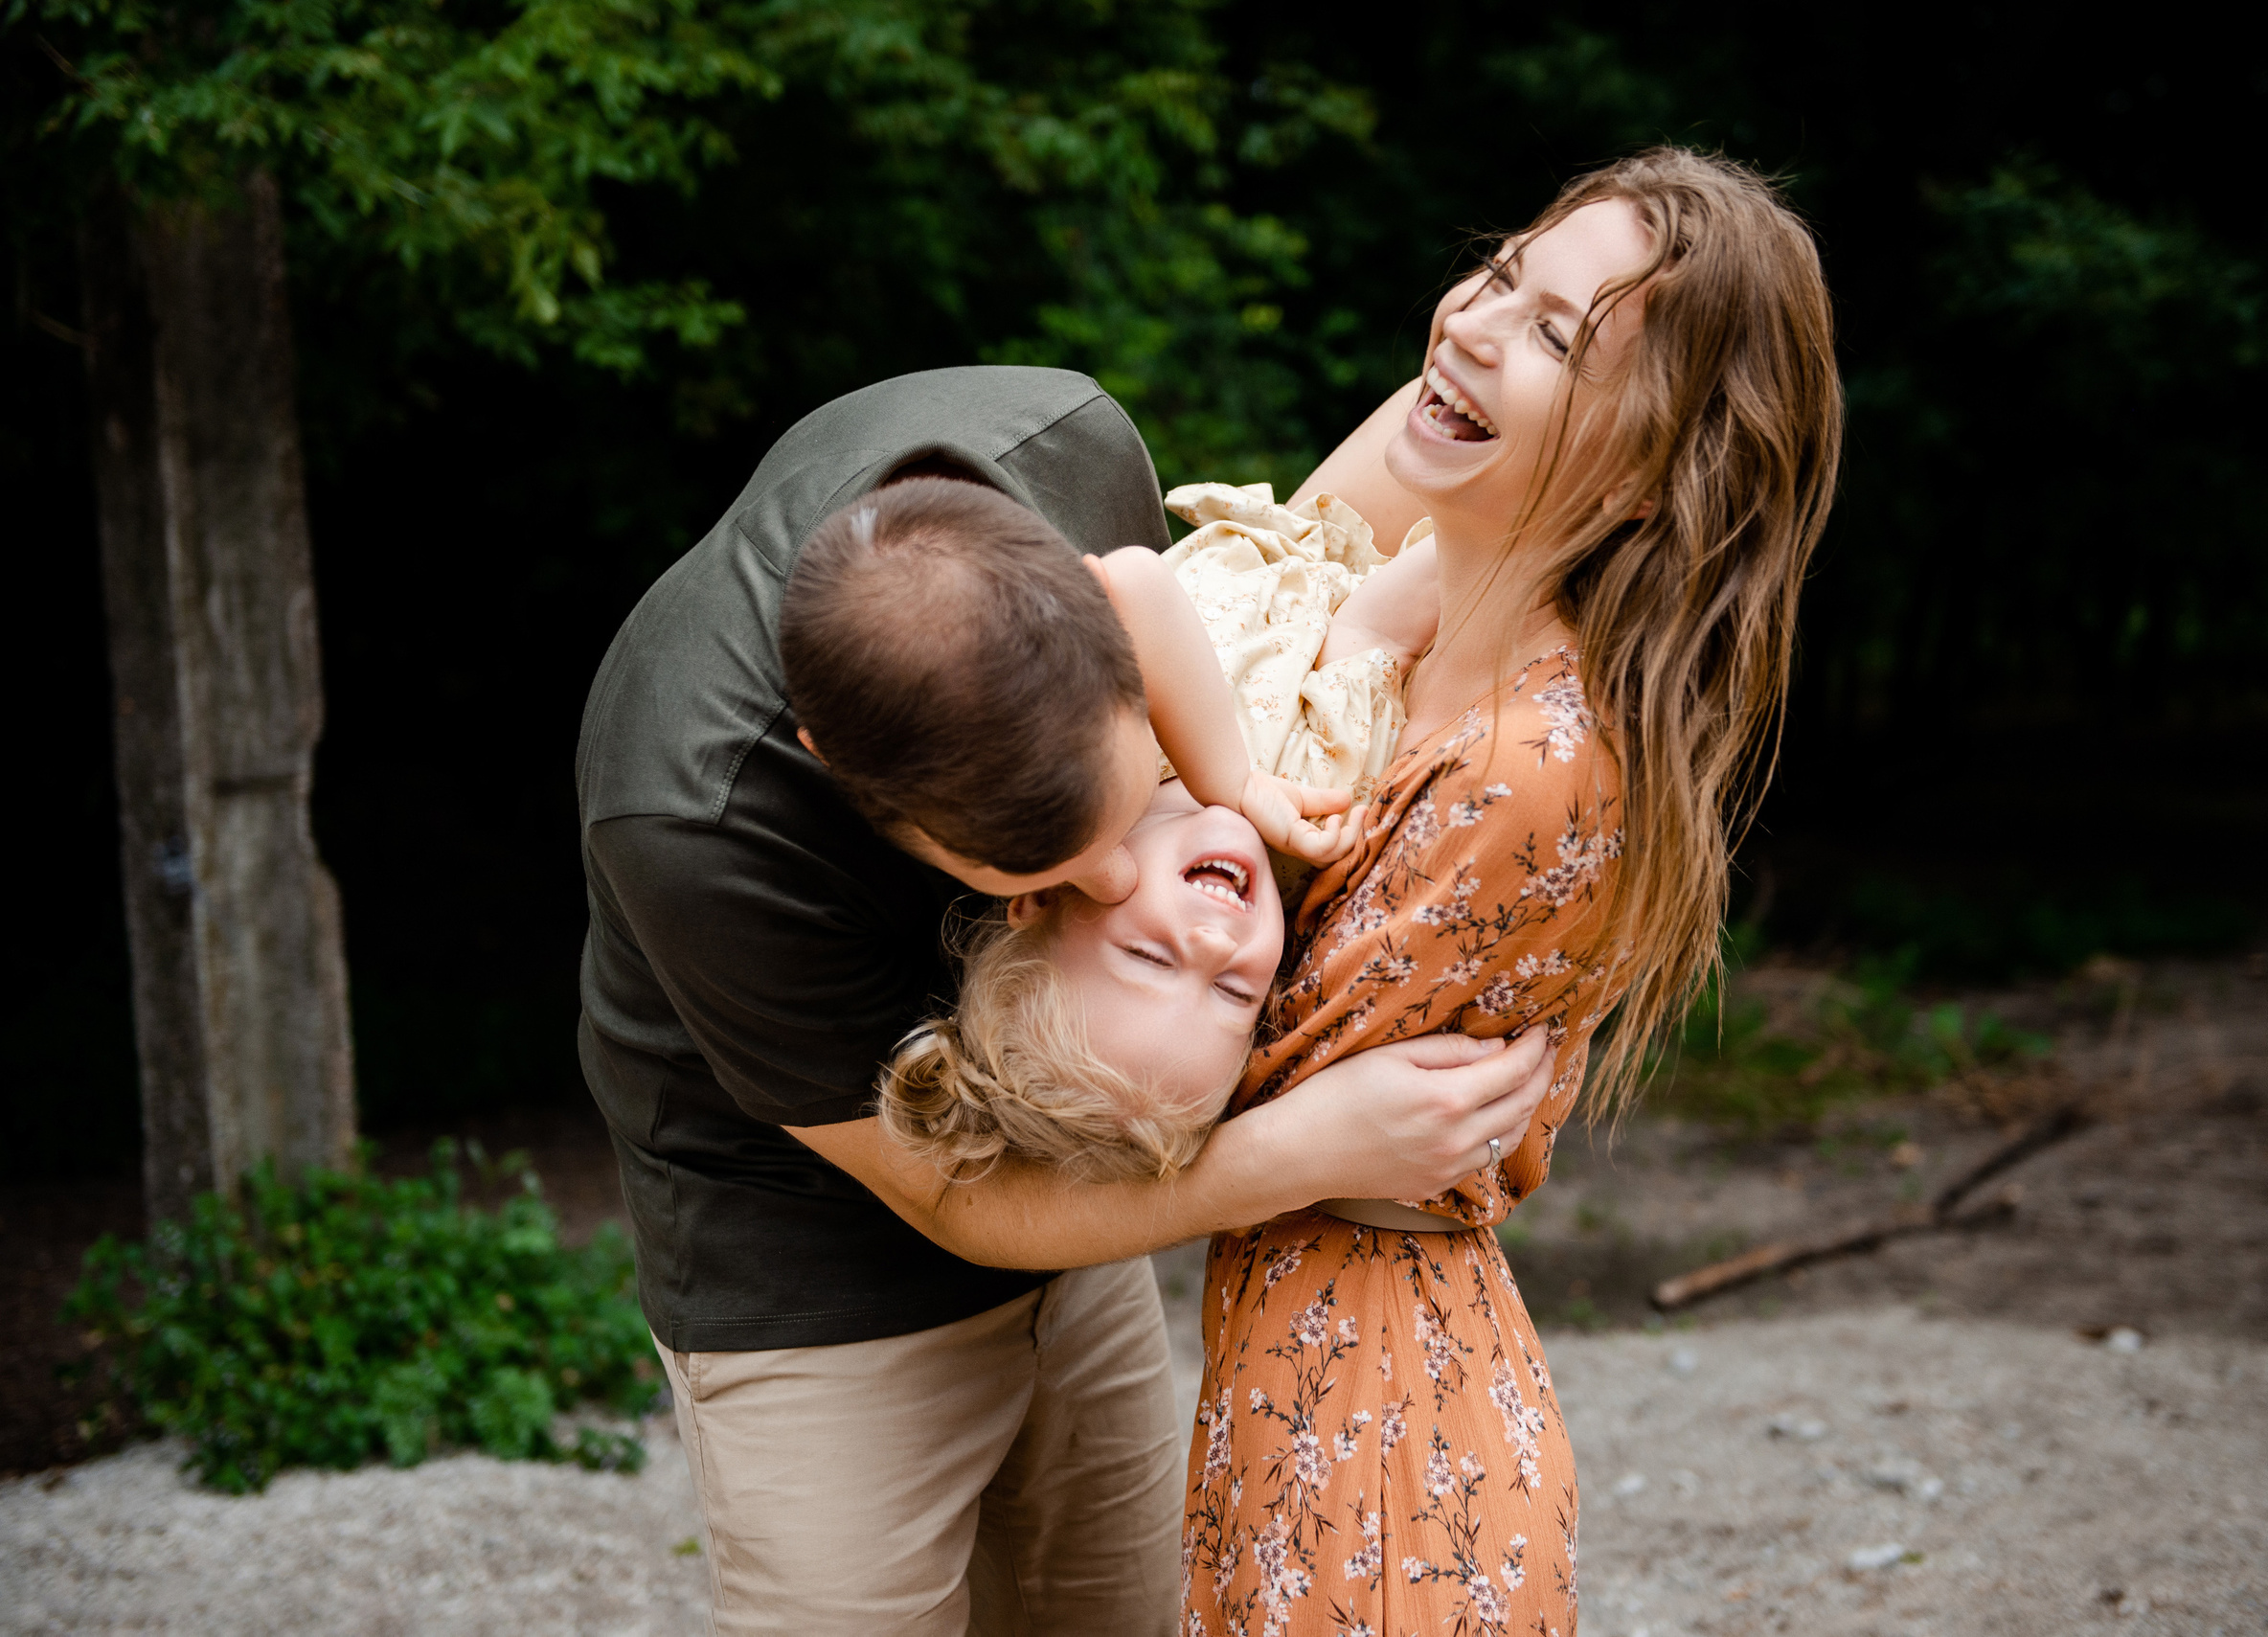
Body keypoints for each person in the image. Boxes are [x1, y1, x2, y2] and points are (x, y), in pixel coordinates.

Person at [575, 365, 1557, 1636]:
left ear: (1116, 622)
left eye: (1125, 806)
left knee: (1115, 1605)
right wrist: (1301, 1149)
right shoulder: (694, 823)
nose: (1109, 878)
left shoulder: (1065, 448)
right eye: (1039, 868)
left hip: (1086, 1134)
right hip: (804, 1249)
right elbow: (951, 1194)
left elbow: (1301, 563)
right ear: (837, 768)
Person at [1179, 148, 1843, 1635]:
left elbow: (1198, 1073)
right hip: (1297, 1382)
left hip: (1382, 1454)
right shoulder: (1433, 611)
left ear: (1653, 470)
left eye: (1554, 336)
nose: (1471, 324)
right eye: (1497, 272)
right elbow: (1340, 505)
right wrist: (1358, 631)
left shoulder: (1536, 765)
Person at [862, 479, 1443, 1183]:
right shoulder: (1318, 805)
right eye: (1234, 992)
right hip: (1384, 533)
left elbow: (1130, 583)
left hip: (1290, 512)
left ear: (1043, 894)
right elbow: (1382, 628)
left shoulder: (1072, 758)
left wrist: (1226, 781)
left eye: (1150, 957)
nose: (1214, 944)